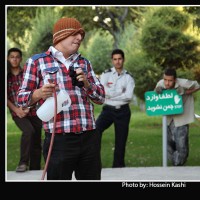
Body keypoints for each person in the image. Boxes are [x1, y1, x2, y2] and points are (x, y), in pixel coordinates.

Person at [17, 17, 105, 180]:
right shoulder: (37, 62)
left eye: (81, 36)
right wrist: (39, 93)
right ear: (61, 35)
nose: (80, 38)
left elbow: (100, 97)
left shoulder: (85, 63)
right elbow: (21, 99)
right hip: (58, 140)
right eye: (75, 34)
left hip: (89, 137)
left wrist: (87, 83)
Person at [96, 49, 135, 168]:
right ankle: (95, 163)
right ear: (112, 60)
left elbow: (128, 96)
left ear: (123, 60)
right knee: (95, 130)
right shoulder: (106, 74)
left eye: (120, 59)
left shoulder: (129, 78)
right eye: (115, 59)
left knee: (121, 140)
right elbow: (103, 92)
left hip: (123, 111)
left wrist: (111, 94)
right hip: (108, 110)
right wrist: (119, 94)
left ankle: (118, 167)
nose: (117, 62)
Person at [154, 68, 200, 166]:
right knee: (167, 145)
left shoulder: (184, 83)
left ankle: (179, 164)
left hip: (181, 118)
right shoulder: (161, 83)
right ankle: (175, 163)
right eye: (165, 80)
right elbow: (154, 96)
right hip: (167, 119)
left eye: (170, 80)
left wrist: (185, 92)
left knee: (181, 144)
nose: (167, 83)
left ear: (175, 80)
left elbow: (198, 86)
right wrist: (157, 92)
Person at [7, 47, 42, 172]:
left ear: (20, 59)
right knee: (28, 131)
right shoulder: (7, 76)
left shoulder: (26, 74)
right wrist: (16, 110)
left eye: (17, 57)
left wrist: (29, 106)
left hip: (33, 110)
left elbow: (35, 90)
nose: (14, 59)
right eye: (12, 57)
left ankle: (35, 169)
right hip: (18, 112)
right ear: (8, 58)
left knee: (37, 141)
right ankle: (23, 163)